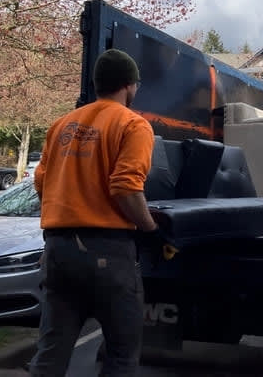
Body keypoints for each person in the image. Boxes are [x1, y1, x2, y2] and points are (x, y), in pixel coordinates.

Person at [29, 48, 169, 377]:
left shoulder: (62, 125)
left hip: (58, 250)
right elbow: (125, 188)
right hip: (107, 252)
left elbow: (41, 183)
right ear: (130, 85)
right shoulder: (133, 125)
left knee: (51, 352)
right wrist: (150, 230)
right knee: (121, 352)